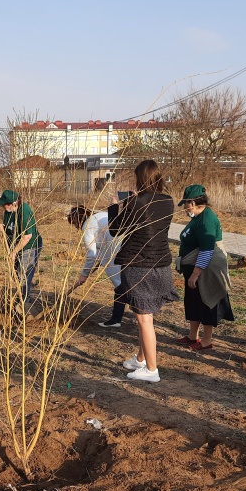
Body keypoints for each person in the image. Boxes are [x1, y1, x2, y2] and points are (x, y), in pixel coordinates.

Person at [108, 160, 177, 383]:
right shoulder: (168, 201)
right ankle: (140, 359)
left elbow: (115, 230)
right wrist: (135, 200)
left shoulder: (135, 203)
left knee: (144, 319)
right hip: (162, 266)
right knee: (144, 317)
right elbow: (150, 214)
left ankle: (151, 370)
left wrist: (115, 206)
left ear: (140, 178)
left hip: (139, 267)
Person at [173, 184, 234, 350]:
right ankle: (193, 336)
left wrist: (195, 274)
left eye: (185, 204)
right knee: (193, 302)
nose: (184, 208)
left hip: (204, 271)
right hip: (194, 268)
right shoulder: (198, 217)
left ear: (192, 203)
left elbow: (207, 250)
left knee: (206, 303)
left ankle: (207, 340)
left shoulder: (206, 220)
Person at [65, 205, 125, 327]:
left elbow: (91, 255)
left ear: (79, 219)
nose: (75, 227)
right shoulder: (100, 215)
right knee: (125, 285)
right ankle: (119, 318)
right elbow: (99, 249)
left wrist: (84, 275)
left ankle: (116, 320)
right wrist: (97, 262)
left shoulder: (87, 226)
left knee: (121, 287)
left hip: (115, 252)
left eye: (75, 223)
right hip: (126, 247)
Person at [0, 189, 43, 308]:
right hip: (16, 245)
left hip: (30, 246)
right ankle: (20, 297)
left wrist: (14, 252)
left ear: (12, 203)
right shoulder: (9, 211)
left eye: (4, 204)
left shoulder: (24, 211)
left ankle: (24, 302)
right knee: (16, 273)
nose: (2, 207)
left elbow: (27, 237)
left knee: (24, 274)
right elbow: (9, 228)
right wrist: (2, 228)